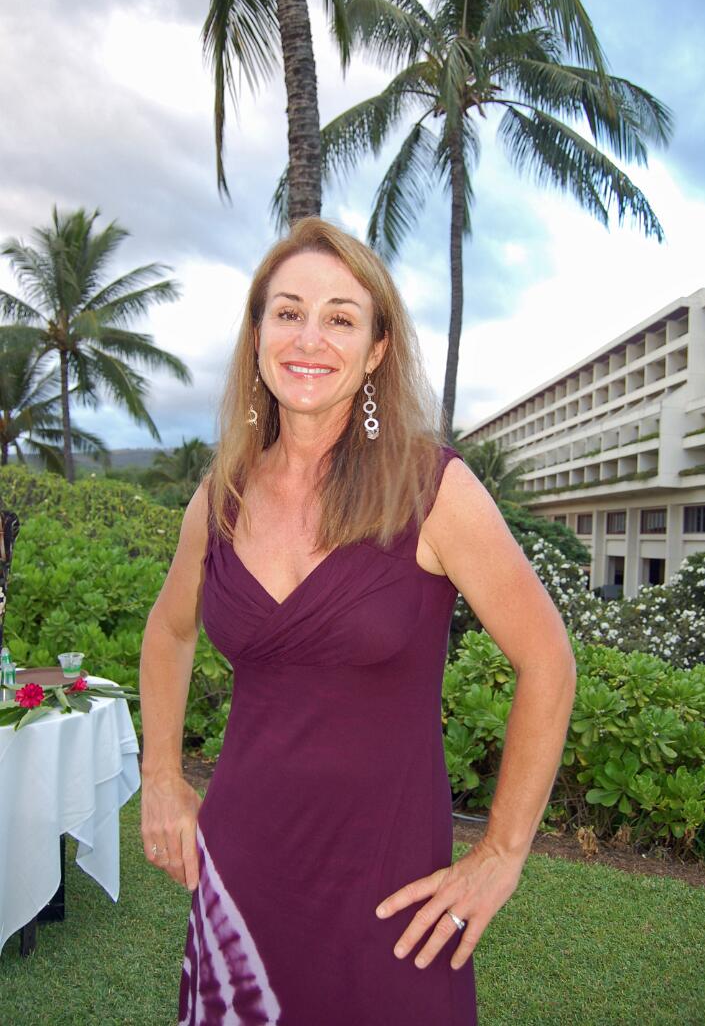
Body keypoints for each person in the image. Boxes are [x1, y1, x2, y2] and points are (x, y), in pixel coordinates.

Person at [138, 217, 577, 1026]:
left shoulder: (432, 489)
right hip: (241, 869)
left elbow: (548, 659)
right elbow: (168, 632)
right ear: (258, 335)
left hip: (390, 891)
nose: (310, 338)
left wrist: (502, 852)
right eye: (288, 312)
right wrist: (160, 775)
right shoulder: (220, 496)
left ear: (376, 350)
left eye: (340, 318)